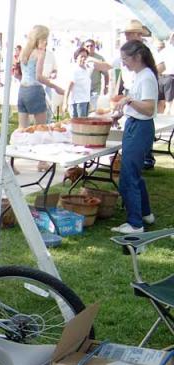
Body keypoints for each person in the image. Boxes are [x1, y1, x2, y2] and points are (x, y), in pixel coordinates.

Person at [111, 40, 158, 234]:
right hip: (135, 125)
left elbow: (148, 109)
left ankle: (135, 224)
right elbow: (138, 104)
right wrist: (124, 109)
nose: (124, 63)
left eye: (125, 59)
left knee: (128, 176)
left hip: (140, 128)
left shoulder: (146, 77)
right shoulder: (140, 75)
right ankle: (145, 214)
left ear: (137, 57)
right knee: (134, 174)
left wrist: (129, 100)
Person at [17, 25, 64, 171]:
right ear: (40, 38)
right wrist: (55, 86)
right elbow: (38, 76)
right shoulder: (39, 53)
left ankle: (11, 161)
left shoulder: (24, 52)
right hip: (35, 90)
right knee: (41, 128)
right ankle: (42, 162)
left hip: (22, 90)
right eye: (45, 39)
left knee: (22, 129)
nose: (46, 42)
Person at [64, 47, 111, 118]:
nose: (83, 59)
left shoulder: (87, 68)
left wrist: (91, 59)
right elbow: (68, 87)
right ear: (76, 58)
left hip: (86, 100)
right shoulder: (75, 70)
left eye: (85, 57)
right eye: (81, 57)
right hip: (77, 102)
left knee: (84, 123)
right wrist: (65, 102)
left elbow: (107, 66)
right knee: (79, 125)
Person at [83, 39, 109, 111]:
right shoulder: (82, 57)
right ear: (84, 47)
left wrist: (106, 87)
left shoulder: (99, 58)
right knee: (84, 108)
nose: (89, 48)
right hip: (84, 88)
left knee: (93, 107)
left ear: (95, 46)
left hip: (95, 87)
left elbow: (106, 74)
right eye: (87, 46)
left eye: (91, 46)